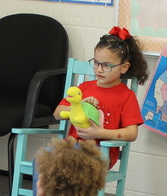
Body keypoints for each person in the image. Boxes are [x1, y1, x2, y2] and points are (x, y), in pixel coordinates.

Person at [53, 26, 147, 169]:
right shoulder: (84, 88)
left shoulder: (126, 96)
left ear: (124, 67)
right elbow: (57, 114)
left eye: (107, 65)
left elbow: (131, 133)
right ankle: (44, 191)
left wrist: (99, 133)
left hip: (100, 151)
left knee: (68, 165)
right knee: (43, 162)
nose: (99, 69)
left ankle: (52, 190)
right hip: (71, 147)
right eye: (96, 63)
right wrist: (78, 106)